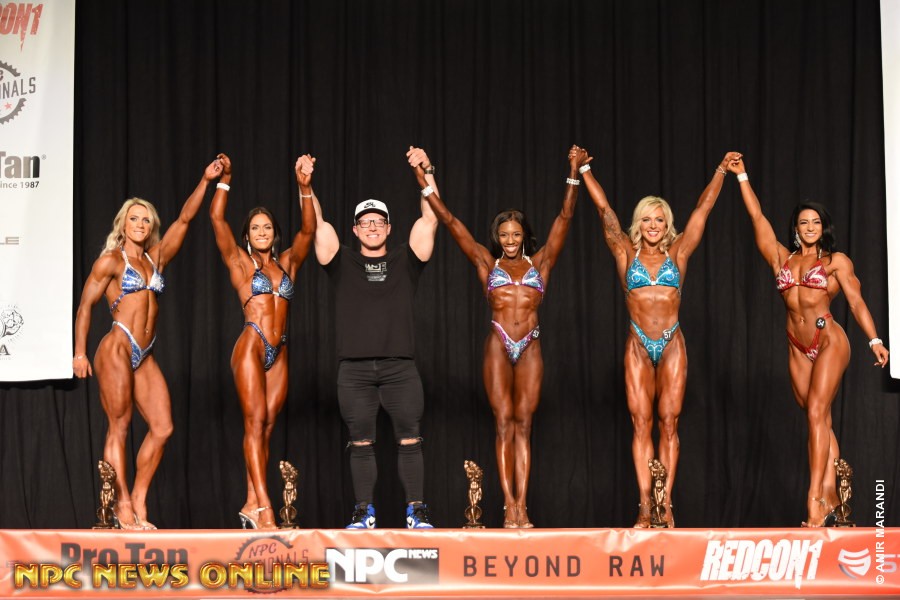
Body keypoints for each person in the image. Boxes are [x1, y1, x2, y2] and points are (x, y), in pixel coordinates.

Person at [415, 145, 583, 528]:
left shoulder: (541, 262)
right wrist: (422, 175)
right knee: (503, 423)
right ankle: (508, 505)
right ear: (497, 236)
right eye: (504, 234)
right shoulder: (486, 263)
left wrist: (573, 171)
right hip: (498, 342)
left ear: (524, 236)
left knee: (524, 424)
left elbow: (565, 216)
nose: (509, 239)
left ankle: (523, 505)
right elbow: (450, 221)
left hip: (531, 343)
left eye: (515, 234)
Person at [582, 149, 742, 528]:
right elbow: (604, 210)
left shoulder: (678, 252)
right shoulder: (624, 250)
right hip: (638, 343)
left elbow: (703, 209)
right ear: (638, 223)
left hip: (671, 343)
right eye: (647, 219)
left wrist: (721, 171)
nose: (653, 225)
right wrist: (584, 169)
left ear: (667, 223)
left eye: (659, 219)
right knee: (641, 424)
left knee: (669, 423)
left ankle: (664, 504)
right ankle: (644, 505)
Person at [728, 156, 889, 527]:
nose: (810, 227)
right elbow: (757, 218)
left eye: (816, 222)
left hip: (829, 338)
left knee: (817, 412)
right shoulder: (781, 259)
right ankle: (834, 496)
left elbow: (856, 302)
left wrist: (874, 340)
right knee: (818, 420)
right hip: (797, 345)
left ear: (823, 227)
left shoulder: (836, 262)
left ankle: (814, 501)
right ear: (796, 228)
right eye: (804, 222)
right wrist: (742, 176)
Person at [73, 158, 222, 529]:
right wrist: (79, 352)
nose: (140, 224)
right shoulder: (111, 261)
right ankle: (121, 503)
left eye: (145, 220)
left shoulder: (157, 259)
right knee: (120, 426)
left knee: (163, 427)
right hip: (117, 346)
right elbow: (85, 306)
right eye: (134, 219)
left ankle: (139, 497)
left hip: (145, 352)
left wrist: (205, 181)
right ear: (122, 224)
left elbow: (184, 220)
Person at [304, 147, 438, 529]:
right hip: (354, 370)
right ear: (355, 229)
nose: (373, 227)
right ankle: (364, 512)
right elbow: (317, 223)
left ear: (389, 228)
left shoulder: (406, 259)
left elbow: (431, 217)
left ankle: (416, 511)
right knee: (360, 442)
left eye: (379, 221)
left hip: (400, 367)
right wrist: (306, 186)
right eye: (366, 222)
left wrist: (426, 170)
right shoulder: (340, 260)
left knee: (410, 439)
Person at [209, 153, 316, 529]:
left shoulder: (288, 263)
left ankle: (251, 502)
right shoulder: (240, 262)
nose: (262, 231)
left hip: (279, 349)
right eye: (255, 227)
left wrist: (304, 188)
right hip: (251, 345)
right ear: (247, 235)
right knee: (254, 423)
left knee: (267, 426)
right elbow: (216, 219)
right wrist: (226, 179)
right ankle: (266, 507)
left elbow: (308, 232)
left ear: (274, 233)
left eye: (267, 226)